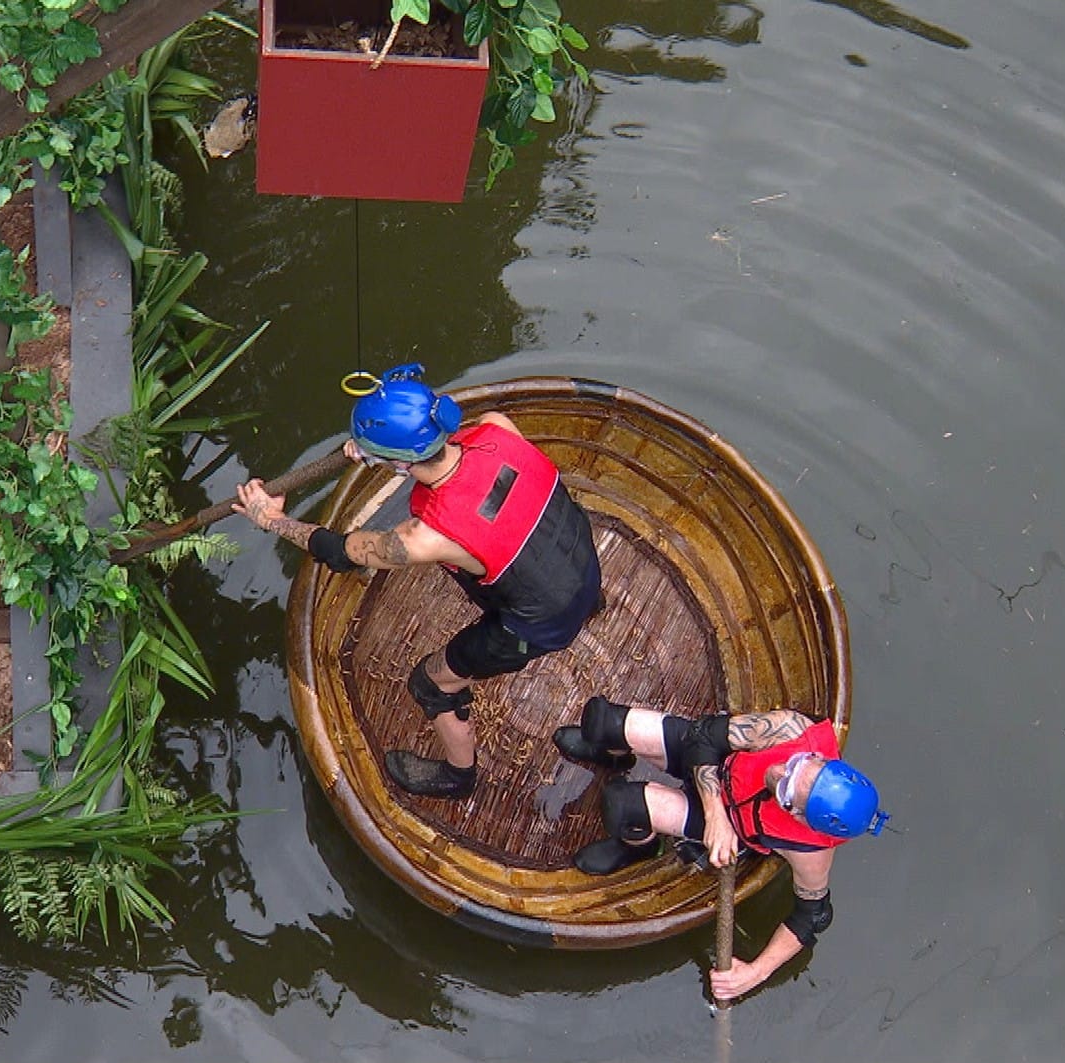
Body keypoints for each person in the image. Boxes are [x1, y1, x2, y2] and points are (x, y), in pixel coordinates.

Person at [234, 364, 603, 799]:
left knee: (430, 683)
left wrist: (272, 519)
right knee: (535, 558)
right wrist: (376, 452)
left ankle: (458, 776)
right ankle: (592, 605)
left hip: (540, 622)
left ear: (397, 462)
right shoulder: (495, 430)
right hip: (582, 565)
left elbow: (341, 552)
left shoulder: (427, 537)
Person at [554, 695, 890, 1001]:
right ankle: (613, 754)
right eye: (799, 766)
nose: (779, 769)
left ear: (799, 815)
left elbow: (812, 917)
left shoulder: (812, 855)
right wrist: (716, 813)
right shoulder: (790, 731)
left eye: (786, 789)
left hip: (730, 820)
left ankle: (640, 846)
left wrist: (755, 973)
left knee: (620, 804)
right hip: (713, 765)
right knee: (600, 720)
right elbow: (705, 734)